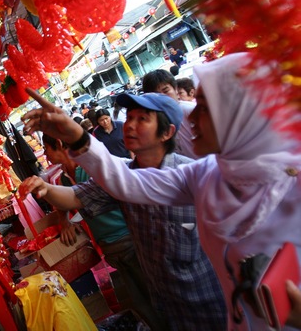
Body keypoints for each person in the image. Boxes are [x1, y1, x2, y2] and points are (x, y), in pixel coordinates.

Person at [21, 52, 301, 330]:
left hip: (210, 305)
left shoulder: (291, 180)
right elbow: (126, 183)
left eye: (203, 107)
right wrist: (75, 136)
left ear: (239, 114)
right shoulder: (203, 175)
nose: (191, 118)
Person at [21, 93, 226, 330]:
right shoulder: (123, 173)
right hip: (168, 302)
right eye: (129, 117)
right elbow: (77, 196)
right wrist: (45, 188)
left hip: (211, 301)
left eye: (142, 119)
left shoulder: (192, 174)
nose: (129, 125)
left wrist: (75, 136)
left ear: (167, 132)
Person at [36, 133, 166, 330]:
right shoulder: (61, 177)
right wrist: (64, 221)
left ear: (60, 144)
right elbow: (66, 201)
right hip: (111, 248)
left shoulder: (91, 169)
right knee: (140, 301)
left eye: (47, 148)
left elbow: (78, 197)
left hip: (129, 240)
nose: (45, 153)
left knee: (155, 297)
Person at [142, 69, 198, 159]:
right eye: (156, 94)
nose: (162, 97)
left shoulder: (191, 110)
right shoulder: (153, 124)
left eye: (166, 91)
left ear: (175, 89)